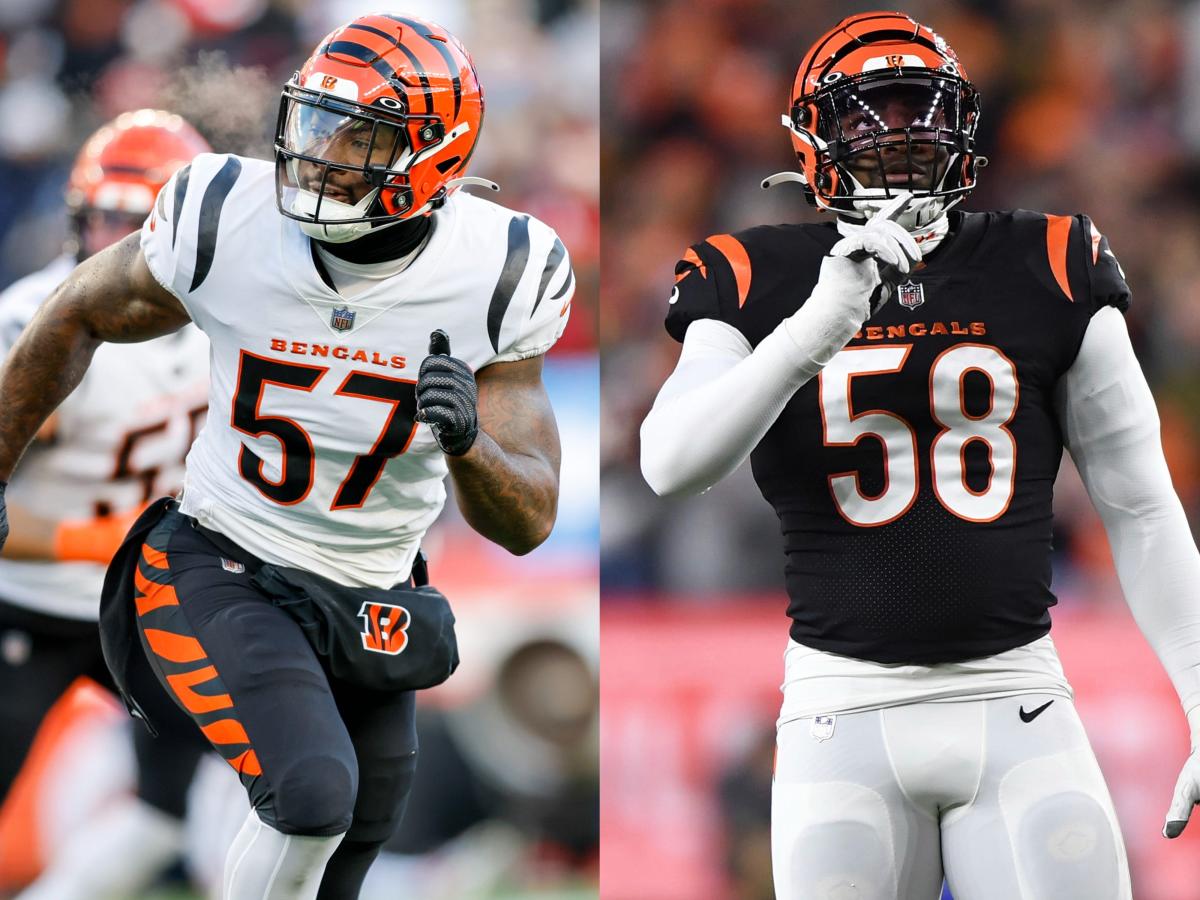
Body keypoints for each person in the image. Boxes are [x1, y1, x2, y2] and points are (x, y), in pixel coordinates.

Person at [0, 13, 572, 900]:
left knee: (349, 844)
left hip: (373, 587)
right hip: (224, 559)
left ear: (433, 156)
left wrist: (470, 443)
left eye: (360, 137)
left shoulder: (500, 270)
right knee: (308, 793)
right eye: (315, 122)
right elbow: (74, 310)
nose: (321, 155)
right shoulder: (227, 215)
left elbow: (530, 519)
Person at [640, 11, 1200, 899]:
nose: (899, 138)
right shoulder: (754, 274)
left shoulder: (1052, 259)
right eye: (870, 115)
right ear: (813, 139)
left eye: (917, 110)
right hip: (841, 710)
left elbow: (1139, 505)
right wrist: (816, 327)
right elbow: (670, 464)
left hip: (1017, 697)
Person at [0, 108, 213, 900]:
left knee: (179, 802)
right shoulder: (38, 328)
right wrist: (93, 540)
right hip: (25, 604)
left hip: (144, 606)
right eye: (102, 218)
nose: (112, 244)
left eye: (139, 223)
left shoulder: (230, 319)